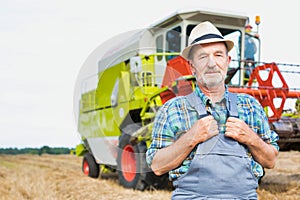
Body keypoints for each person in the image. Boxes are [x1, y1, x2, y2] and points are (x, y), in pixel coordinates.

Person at [146, 21, 279, 199]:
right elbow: (157, 166)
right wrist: (191, 138)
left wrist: (250, 138)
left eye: (218, 55)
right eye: (202, 57)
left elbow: (270, 161)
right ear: (192, 66)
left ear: (227, 61)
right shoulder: (172, 109)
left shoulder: (251, 106)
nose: (211, 63)